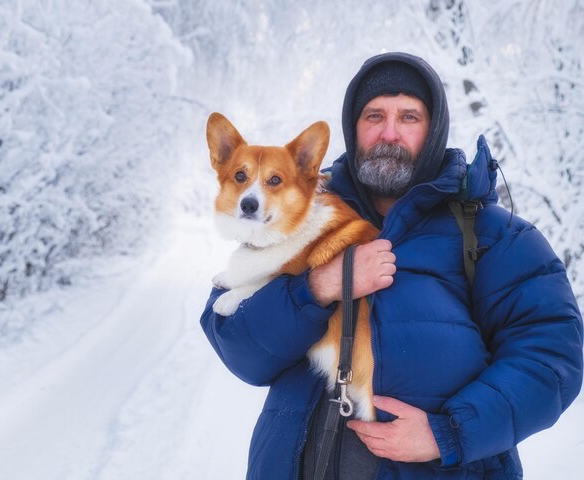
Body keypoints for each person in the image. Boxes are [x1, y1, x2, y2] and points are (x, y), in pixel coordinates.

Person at [200, 52, 583, 479]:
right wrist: (319, 287)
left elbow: (552, 358)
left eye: (409, 117)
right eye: (374, 115)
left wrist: (448, 433)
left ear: (434, 129)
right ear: (353, 127)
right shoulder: (295, 214)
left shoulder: (494, 235)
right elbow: (241, 349)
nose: (389, 132)